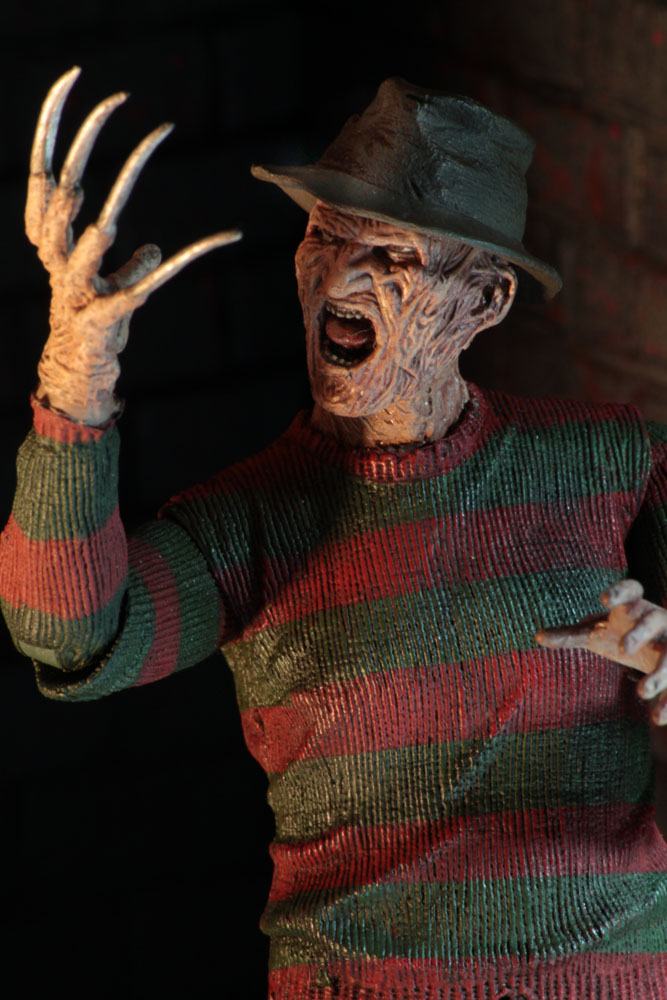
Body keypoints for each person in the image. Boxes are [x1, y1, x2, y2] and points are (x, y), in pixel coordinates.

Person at [1, 69, 666, 999]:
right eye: (325, 237)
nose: (341, 278)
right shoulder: (246, 524)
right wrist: (74, 384)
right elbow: (67, 633)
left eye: (391, 256)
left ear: (484, 301)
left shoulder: (610, 461)